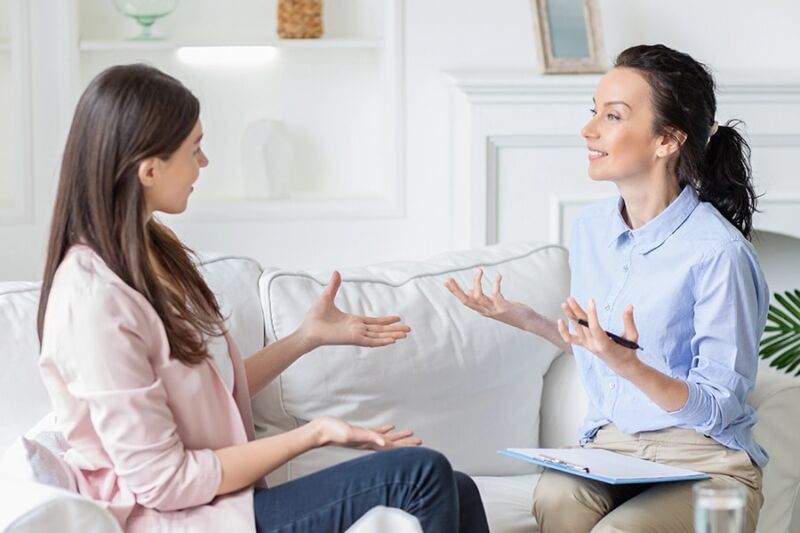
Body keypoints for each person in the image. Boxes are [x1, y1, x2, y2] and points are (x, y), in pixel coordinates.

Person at [37, 63, 490, 533]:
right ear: (149, 170)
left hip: (224, 503)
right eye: (195, 149)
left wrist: (306, 337)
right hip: (173, 521)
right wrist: (314, 433)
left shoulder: (153, 251)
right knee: (420, 474)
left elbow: (210, 393)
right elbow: (163, 483)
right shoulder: (92, 302)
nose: (204, 163)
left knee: (459, 487)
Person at [445, 44, 766, 532]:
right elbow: (602, 346)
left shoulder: (718, 252)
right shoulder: (592, 228)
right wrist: (524, 318)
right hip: (614, 446)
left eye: (612, 116)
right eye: (594, 112)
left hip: (704, 460)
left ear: (667, 141)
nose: (589, 129)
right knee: (555, 497)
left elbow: (718, 404)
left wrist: (629, 366)